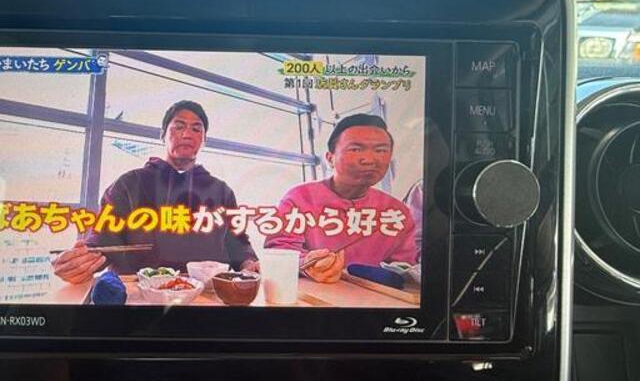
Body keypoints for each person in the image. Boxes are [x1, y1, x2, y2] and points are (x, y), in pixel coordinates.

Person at [53, 100, 259, 284]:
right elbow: (105, 238)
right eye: (179, 126)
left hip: (209, 295)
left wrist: (249, 263)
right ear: (162, 135)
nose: (187, 134)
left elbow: (237, 243)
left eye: (197, 129)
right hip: (140, 296)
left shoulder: (221, 191)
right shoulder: (129, 184)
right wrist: (82, 261)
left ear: (204, 140)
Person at [265, 114, 418, 283]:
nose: (369, 159)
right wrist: (307, 263)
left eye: (381, 150)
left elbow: (404, 266)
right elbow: (280, 251)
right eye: (356, 149)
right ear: (330, 158)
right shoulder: (299, 198)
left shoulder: (397, 212)